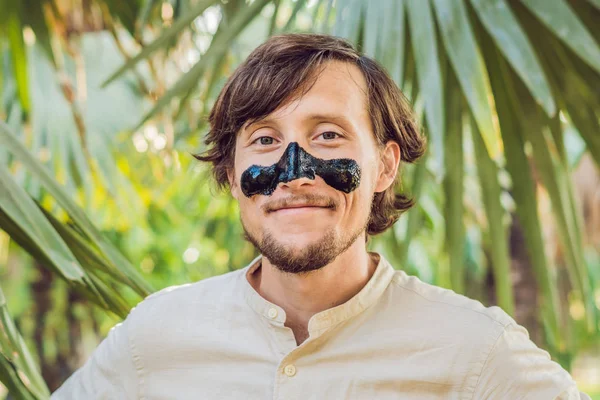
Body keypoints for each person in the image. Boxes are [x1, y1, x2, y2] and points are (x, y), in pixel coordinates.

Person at [52, 33, 590, 399]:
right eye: (264, 139)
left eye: (327, 134)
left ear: (383, 165)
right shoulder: (157, 337)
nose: (293, 172)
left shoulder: (476, 350)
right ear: (232, 171)